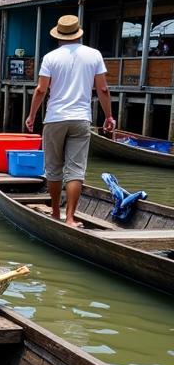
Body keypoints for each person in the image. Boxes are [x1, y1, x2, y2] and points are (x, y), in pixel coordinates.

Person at [25, 15, 115, 227]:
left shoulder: (50, 57)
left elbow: (41, 90)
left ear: (59, 36)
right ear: (78, 33)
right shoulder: (94, 55)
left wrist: (32, 115)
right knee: (76, 170)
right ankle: (71, 218)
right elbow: (103, 89)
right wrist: (108, 116)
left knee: (54, 169)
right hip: (81, 118)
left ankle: (56, 213)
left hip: (55, 118)